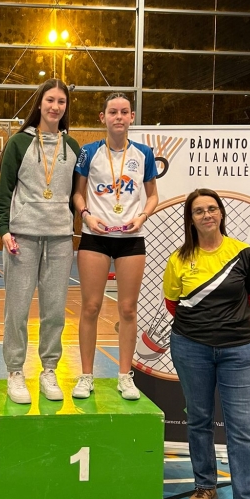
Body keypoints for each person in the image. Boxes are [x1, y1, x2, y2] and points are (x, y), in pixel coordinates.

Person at [163, 188, 250, 499]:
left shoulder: (243, 253)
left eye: (212, 208)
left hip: (238, 350)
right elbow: (172, 303)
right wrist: (202, 329)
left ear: (221, 214)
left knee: (241, 429)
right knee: (199, 419)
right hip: (190, 347)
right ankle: (205, 486)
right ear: (191, 218)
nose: (207, 214)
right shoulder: (179, 259)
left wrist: (227, 326)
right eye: (199, 210)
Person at [0, 79, 81, 403]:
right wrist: (4, 230)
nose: (55, 106)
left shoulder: (72, 146)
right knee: (16, 310)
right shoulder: (19, 143)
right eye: (50, 100)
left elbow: (76, 194)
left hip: (59, 239)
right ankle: (15, 371)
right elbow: (4, 191)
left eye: (61, 101)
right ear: (40, 103)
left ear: (66, 107)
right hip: (22, 237)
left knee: (54, 310)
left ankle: (49, 370)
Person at [72, 92, 158, 400]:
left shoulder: (144, 154)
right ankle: (86, 376)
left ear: (132, 117)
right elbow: (78, 194)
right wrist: (86, 215)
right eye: (113, 112)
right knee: (90, 307)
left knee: (128, 309)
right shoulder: (89, 152)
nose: (118, 117)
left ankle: (125, 376)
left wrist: (142, 216)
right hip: (95, 237)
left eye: (124, 112)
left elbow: (152, 195)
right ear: (103, 117)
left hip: (130, 239)